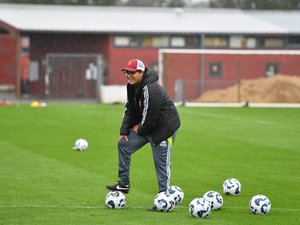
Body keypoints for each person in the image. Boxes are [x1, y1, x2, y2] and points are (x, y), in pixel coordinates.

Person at [106, 59, 181, 210]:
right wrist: (124, 131)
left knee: (161, 165)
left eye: (132, 72)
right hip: (147, 126)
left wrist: (139, 130)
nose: (129, 75)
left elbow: (150, 117)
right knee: (123, 145)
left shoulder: (151, 89)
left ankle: (164, 200)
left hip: (164, 130)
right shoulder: (132, 86)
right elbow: (130, 109)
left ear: (141, 72)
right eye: (127, 72)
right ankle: (124, 184)